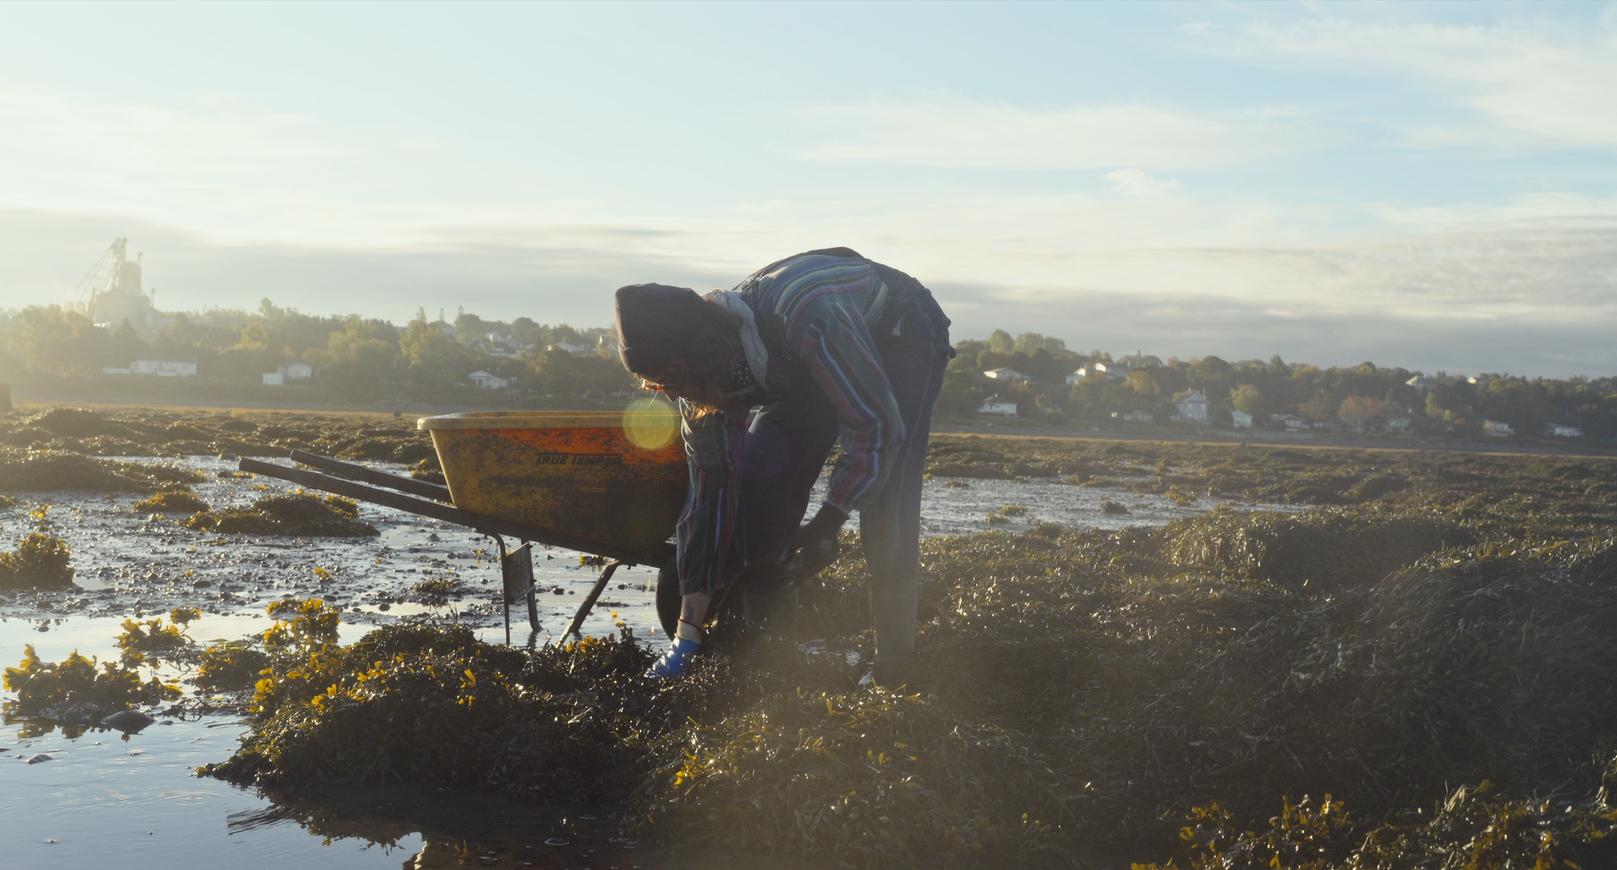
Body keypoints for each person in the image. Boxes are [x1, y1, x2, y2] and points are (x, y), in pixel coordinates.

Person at [613, 248, 952, 685]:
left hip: (899, 329)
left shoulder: (804, 312)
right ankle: (768, 643)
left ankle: (895, 663)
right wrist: (687, 636)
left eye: (671, 377)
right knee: (761, 483)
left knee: (888, 492)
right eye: (658, 385)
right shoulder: (703, 375)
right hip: (799, 358)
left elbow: (875, 424)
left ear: (701, 348)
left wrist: (830, 521)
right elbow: (708, 498)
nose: (673, 395)